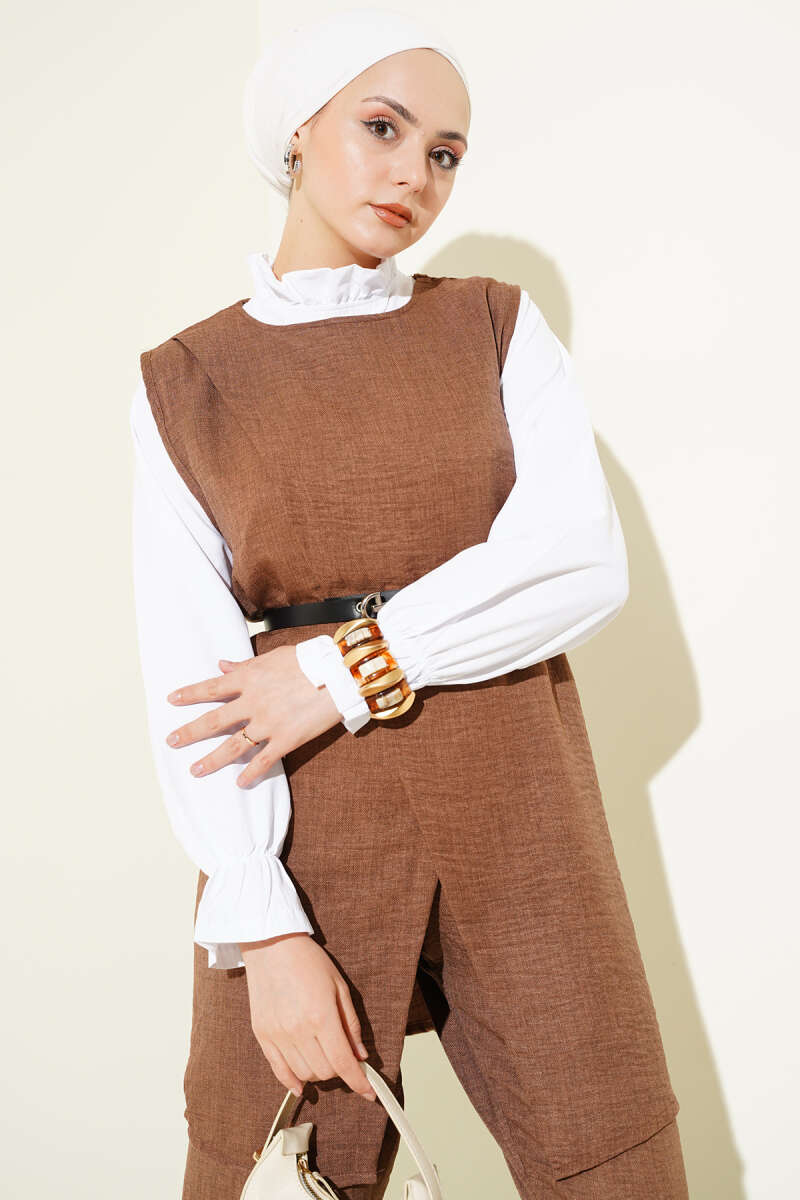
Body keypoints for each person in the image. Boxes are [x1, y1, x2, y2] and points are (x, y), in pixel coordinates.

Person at [130, 9, 690, 1198]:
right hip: (300, 825)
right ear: (298, 130)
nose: (413, 175)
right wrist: (264, 926)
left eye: (443, 153)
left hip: (518, 799)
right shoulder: (186, 381)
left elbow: (577, 560)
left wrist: (341, 670)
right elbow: (194, 686)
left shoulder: (492, 324)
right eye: (380, 129)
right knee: (276, 1166)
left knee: (612, 1158)